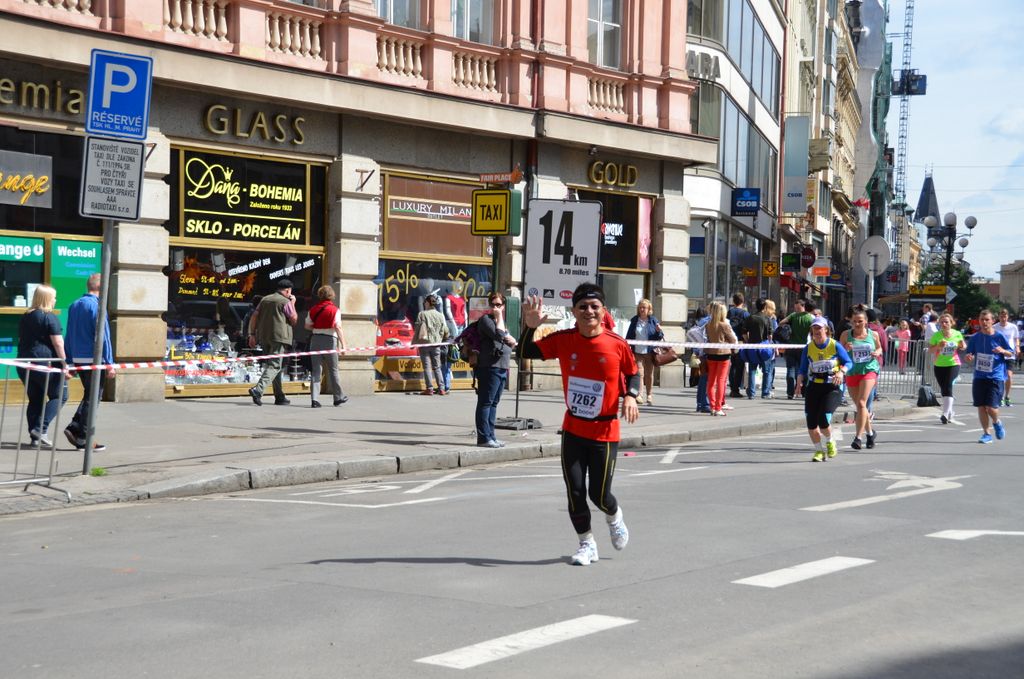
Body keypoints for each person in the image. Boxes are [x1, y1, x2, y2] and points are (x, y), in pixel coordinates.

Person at [519, 283, 638, 566]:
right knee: (575, 491)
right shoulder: (564, 340)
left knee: (599, 494)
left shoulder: (616, 343)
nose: (589, 311)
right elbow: (525, 351)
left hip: (604, 431)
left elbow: (633, 372)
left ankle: (614, 516)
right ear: (574, 311)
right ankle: (587, 544)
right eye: (583, 306)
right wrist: (529, 327)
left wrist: (631, 396)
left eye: (594, 306)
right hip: (573, 429)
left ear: (603, 311)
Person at [63, 273, 116, 451]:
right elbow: (103, 337)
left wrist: (70, 361)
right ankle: (83, 437)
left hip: (79, 358)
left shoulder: (74, 305)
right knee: (93, 398)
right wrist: (109, 363)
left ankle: (75, 427)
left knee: (89, 395)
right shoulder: (97, 306)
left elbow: (69, 334)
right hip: (94, 359)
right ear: (102, 287)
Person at [15, 285, 68, 447]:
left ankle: (35, 437)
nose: (55, 300)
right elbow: (58, 343)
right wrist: (65, 363)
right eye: (54, 297)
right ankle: (40, 428)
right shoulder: (49, 317)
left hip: (24, 363)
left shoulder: (26, 316)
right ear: (47, 299)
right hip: (45, 363)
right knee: (59, 396)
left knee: (35, 399)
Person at [795, 317, 852, 462]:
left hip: (832, 386)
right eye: (814, 328)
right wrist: (799, 381)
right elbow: (802, 368)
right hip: (814, 386)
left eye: (819, 328)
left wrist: (841, 372)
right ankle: (819, 451)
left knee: (822, 418)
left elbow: (848, 362)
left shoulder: (835, 345)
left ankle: (830, 440)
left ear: (826, 329)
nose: (817, 331)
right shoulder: (808, 348)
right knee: (811, 422)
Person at [964, 309, 1014, 444]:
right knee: (981, 406)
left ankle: (997, 422)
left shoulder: (999, 336)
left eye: (987, 320)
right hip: (979, 376)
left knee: (991, 408)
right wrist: (969, 357)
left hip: (995, 376)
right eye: (982, 320)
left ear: (992, 321)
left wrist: (1002, 350)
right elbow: (969, 355)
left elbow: (1011, 353)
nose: (984, 322)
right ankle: (987, 434)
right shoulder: (975, 338)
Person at [247, 278, 298, 406]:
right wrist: (293, 302)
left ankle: (279, 396)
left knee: (274, 366)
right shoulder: (285, 302)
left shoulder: (265, 299)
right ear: (288, 291)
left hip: (264, 336)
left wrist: (252, 334)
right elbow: (294, 319)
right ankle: (258, 390)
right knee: (275, 366)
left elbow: (254, 316)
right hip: (279, 337)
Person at [475, 292, 516, 448]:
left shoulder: (500, 322)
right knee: (485, 402)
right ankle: (483, 438)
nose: (495, 308)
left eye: (498, 305)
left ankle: (491, 435)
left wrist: (513, 340)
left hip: (501, 366)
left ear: (503, 306)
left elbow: (510, 341)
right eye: (492, 305)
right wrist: (499, 317)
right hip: (489, 366)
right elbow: (499, 335)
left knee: (493, 403)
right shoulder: (486, 320)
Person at [839, 309, 882, 449]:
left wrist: (877, 353)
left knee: (862, 402)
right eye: (854, 321)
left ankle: (858, 438)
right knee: (859, 406)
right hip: (852, 371)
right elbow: (839, 353)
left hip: (869, 370)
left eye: (860, 321)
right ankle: (870, 433)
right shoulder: (845, 335)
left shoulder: (873, 334)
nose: (857, 324)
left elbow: (880, 348)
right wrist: (845, 348)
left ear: (866, 321)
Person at [304, 285, 349, 408]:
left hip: (315, 340)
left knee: (316, 370)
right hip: (330, 341)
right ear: (332, 295)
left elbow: (307, 326)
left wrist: (318, 328)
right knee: (333, 370)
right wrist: (343, 345)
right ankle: (338, 397)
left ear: (320, 295)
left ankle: (314, 399)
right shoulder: (335, 310)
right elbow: (337, 327)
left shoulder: (313, 309)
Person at [929, 312, 966, 424]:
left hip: (953, 363)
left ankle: (945, 414)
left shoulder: (957, 334)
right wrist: (938, 346)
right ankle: (950, 411)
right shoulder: (936, 335)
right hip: (939, 364)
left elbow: (963, 346)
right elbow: (930, 350)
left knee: (948, 385)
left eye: (946, 322)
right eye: (942, 322)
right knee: (944, 389)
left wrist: (962, 346)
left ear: (951, 323)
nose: (944, 324)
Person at [625, 299, 663, 405]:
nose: (642, 309)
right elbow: (629, 335)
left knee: (649, 374)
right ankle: (640, 395)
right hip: (637, 351)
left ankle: (649, 394)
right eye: (640, 307)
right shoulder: (634, 320)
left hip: (650, 351)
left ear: (649, 309)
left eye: (644, 307)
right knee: (640, 374)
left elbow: (659, 336)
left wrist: (659, 331)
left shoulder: (653, 320)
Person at [705, 301, 738, 416]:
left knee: (711, 381)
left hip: (711, 354)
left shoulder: (708, 325)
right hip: (723, 355)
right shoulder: (724, 325)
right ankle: (718, 407)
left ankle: (712, 406)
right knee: (721, 381)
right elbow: (733, 340)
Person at [413, 293, 450, 396]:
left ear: (428, 303)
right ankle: (441, 388)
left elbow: (417, 329)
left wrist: (414, 342)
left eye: (425, 302)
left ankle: (429, 388)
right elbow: (445, 331)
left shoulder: (422, 314)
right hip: (436, 344)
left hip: (425, 344)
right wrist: (441, 338)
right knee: (437, 367)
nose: (424, 303)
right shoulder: (440, 315)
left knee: (427, 367)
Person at [779, 298, 813, 399]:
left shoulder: (793, 316)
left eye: (797, 308)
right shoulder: (809, 318)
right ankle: (803, 391)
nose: (796, 310)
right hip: (803, 347)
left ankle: (790, 393)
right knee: (803, 369)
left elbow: (781, 323)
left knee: (790, 369)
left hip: (791, 346)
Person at [742, 298, 775, 399]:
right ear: (765, 307)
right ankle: (765, 392)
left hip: (752, 346)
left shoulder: (750, 318)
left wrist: (748, 341)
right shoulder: (767, 319)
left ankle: (751, 393)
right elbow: (770, 335)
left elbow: (744, 333)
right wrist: (770, 343)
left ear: (755, 306)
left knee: (752, 369)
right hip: (764, 346)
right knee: (766, 371)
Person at [994, 308, 1020, 406]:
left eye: (1005, 316)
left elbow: (1016, 338)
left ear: (1007, 317)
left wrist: (1017, 347)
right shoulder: (995, 327)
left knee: (1009, 375)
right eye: (1001, 316)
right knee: (1000, 376)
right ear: (999, 317)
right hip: (998, 355)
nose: (1003, 318)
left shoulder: (1013, 327)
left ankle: (1007, 397)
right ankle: (999, 397)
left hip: (1009, 354)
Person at [726, 293, 749, 397]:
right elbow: (747, 329)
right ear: (743, 301)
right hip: (740, 342)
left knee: (732, 365)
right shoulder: (745, 314)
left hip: (730, 342)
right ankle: (735, 389)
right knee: (740, 366)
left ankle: (732, 387)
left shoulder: (729, 312)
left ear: (733, 302)